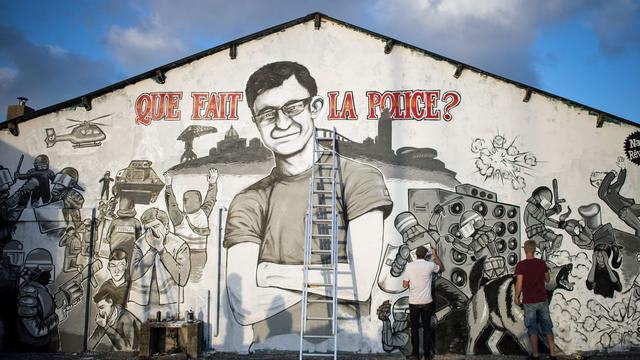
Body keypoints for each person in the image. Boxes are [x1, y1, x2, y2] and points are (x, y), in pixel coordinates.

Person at [223, 61, 393, 343]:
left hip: (351, 346)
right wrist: (331, 283)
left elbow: (361, 284)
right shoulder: (248, 201)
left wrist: (270, 274)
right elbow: (244, 305)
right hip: (270, 349)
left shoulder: (360, 179)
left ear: (314, 107)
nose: (282, 123)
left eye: (292, 107)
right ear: (256, 123)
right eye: (267, 114)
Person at [164, 168, 218, 282]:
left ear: (184, 204)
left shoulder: (179, 218)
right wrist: (212, 183)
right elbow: (211, 200)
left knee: (182, 278)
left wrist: (168, 186)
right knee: (196, 277)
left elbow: (171, 204)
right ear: (199, 202)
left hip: (184, 255)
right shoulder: (203, 214)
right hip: (201, 256)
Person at [129, 208, 190, 307]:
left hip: (170, 302)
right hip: (141, 302)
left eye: (156, 226)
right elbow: (133, 274)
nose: (152, 232)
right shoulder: (139, 244)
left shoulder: (180, 245)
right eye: (147, 229)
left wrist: (161, 250)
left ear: (166, 228)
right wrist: (152, 250)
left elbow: (182, 279)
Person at [514, 240, 558, 360]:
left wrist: (516, 297)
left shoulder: (521, 265)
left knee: (532, 328)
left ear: (525, 250)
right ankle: (553, 354)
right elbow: (548, 279)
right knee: (547, 326)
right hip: (542, 300)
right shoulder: (541, 263)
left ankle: (535, 354)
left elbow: (519, 283)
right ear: (534, 250)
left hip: (529, 301)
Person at [402, 245, 443, 360]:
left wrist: (411, 283)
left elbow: (405, 284)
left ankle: (415, 354)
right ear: (425, 255)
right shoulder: (430, 265)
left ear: (415, 254)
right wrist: (435, 256)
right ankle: (426, 355)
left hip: (414, 302)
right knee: (427, 328)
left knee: (414, 329)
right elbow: (440, 267)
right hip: (427, 302)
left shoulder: (409, 266)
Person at [88, 286, 141, 350]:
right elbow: (93, 341)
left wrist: (106, 327)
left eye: (102, 307)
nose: (100, 312)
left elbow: (127, 348)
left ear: (110, 302)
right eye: (98, 308)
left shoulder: (126, 318)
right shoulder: (107, 318)